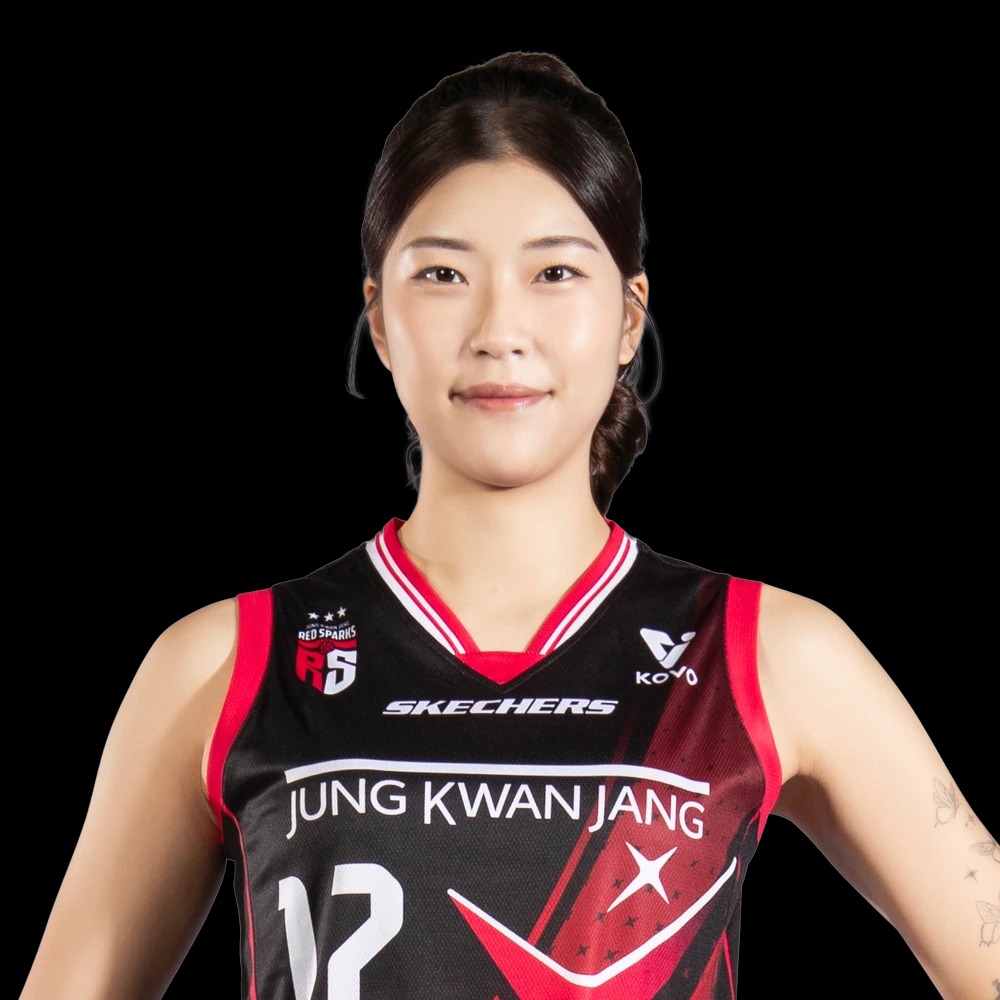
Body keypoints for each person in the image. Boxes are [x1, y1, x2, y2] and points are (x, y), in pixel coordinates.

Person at [20, 50, 997, 1000]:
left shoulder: (762, 652)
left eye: (556, 272)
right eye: (443, 275)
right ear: (377, 318)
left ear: (629, 317)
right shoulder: (226, 664)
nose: (498, 330)